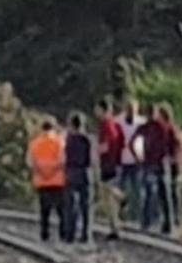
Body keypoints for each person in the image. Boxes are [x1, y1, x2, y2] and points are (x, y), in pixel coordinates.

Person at [132, 103, 177, 235]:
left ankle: (148, 222)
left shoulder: (149, 127)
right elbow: (175, 143)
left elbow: (132, 142)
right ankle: (165, 224)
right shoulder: (164, 126)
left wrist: (138, 156)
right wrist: (171, 157)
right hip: (158, 163)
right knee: (162, 195)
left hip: (152, 163)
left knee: (150, 194)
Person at [27, 117, 67, 242]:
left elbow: (30, 162)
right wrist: (52, 170)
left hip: (41, 180)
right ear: (54, 128)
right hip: (57, 180)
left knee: (44, 210)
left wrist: (42, 171)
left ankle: (45, 233)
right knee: (61, 210)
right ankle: (63, 233)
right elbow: (62, 160)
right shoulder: (59, 142)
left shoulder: (34, 143)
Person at [95, 98, 125, 241]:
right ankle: (114, 227)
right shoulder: (114, 123)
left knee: (107, 194)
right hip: (113, 162)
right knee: (108, 198)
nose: (96, 112)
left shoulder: (106, 125)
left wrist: (96, 151)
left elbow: (106, 144)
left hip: (108, 164)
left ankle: (122, 197)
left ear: (103, 109)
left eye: (98, 109)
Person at [62, 113, 93, 244]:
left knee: (70, 205)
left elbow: (64, 156)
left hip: (71, 171)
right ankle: (86, 234)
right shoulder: (87, 139)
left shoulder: (68, 139)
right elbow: (91, 158)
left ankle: (70, 234)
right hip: (85, 172)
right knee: (86, 206)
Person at [117, 98, 143, 223]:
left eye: (133, 109)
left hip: (136, 160)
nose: (131, 111)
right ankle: (120, 213)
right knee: (121, 190)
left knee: (137, 189)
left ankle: (136, 215)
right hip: (121, 160)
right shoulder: (118, 122)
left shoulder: (141, 122)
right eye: (129, 108)